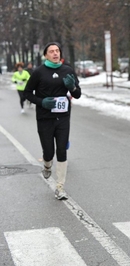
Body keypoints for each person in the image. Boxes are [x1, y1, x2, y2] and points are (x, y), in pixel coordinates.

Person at [24, 42, 81, 200]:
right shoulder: (39, 72)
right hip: (44, 118)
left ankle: (60, 187)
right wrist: (42, 102)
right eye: (51, 51)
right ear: (46, 55)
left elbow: (78, 94)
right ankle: (47, 164)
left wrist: (73, 88)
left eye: (57, 51)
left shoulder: (67, 70)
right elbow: (28, 93)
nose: (55, 53)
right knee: (48, 152)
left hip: (63, 117)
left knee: (62, 149)